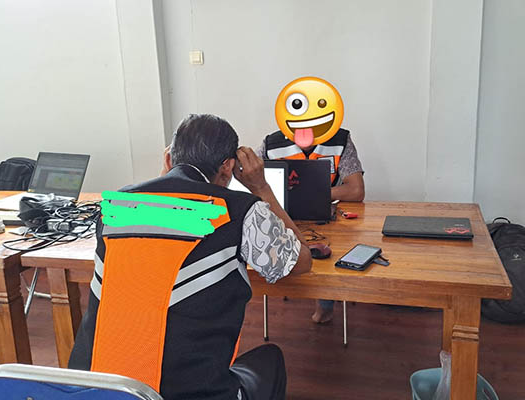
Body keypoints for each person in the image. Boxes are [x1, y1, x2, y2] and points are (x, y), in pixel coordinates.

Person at [69, 114, 313, 400]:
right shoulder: (239, 210)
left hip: (97, 390)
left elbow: (160, 234)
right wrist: (261, 187)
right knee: (270, 358)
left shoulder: (116, 206)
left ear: (169, 159)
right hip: (191, 393)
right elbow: (302, 261)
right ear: (228, 167)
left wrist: (166, 177)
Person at [256, 127, 364, 324]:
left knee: (328, 250)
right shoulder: (271, 143)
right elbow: (251, 181)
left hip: (323, 216)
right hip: (282, 216)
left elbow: (356, 190)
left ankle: (325, 305)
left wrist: (311, 193)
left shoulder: (341, 140)